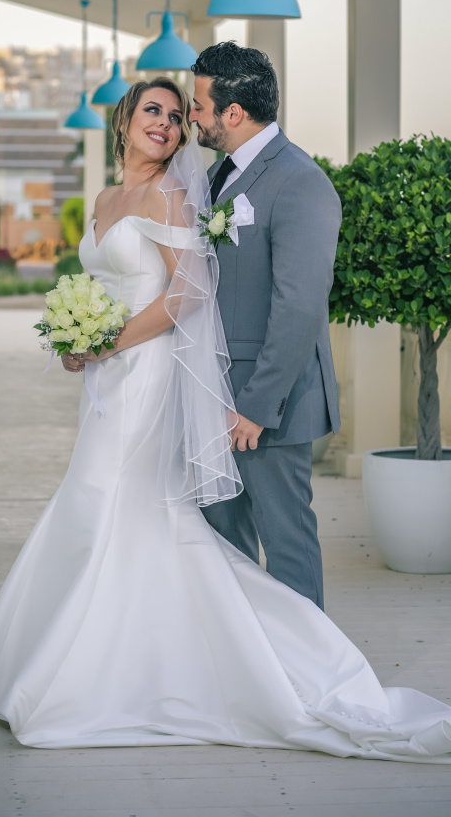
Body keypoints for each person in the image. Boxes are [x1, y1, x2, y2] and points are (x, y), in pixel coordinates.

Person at [0, 76, 451, 761]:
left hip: (149, 376)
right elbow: (105, 285)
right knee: (112, 505)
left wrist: (107, 342)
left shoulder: (178, 193)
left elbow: (188, 293)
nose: (169, 123)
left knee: (127, 502)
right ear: (124, 119)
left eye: (181, 114)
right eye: (155, 110)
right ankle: (142, 663)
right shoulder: (114, 198)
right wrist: (74, 340)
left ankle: (291, 669)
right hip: (111, 381)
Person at [191, 43, 340, 609]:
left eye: (199, 104)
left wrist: (256, 405)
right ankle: (251, 655)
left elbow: (300, 306)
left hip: (267, 404)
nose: (191, 115)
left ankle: (310, 660)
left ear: (232, 112)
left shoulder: (300, 180)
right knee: (225, 545)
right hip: (212, 392)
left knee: (286, 544)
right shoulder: (216, 176)